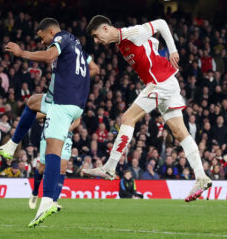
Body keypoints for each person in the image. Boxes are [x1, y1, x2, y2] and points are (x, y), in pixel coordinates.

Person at [85, 15, 212, 202]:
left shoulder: (130, 33)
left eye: (96, 36)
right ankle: (201, 177)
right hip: (166, 82)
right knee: (179, 132)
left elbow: (161, 24)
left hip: (160, 82)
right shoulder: (122, 44)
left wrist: (173, 50)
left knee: (128, 118)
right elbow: (151, 42)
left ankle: (109, 167)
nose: (96, 41)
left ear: (105, 28)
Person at [0, 18, 98, 228]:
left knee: (53, 149)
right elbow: (94, 69)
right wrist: (74, 85)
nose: (42, 42)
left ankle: (48, 200)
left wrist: (21, 53)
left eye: (42, 37)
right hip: (70, 101)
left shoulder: (61, 37)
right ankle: (11, 145)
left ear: (51, 31)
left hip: (64, 103)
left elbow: (49, 55)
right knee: (32, 101)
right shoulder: (76, 45)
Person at [29, 115, 80, 211]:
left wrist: (69, 128)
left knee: (62, 167)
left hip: (66, 136)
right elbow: (37, 115)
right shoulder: (51, 101)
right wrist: (48, 112)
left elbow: (77, 119)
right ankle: (35, 192)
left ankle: (54, 201)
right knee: (41, 169)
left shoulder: (73, 101)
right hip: (49, 134)